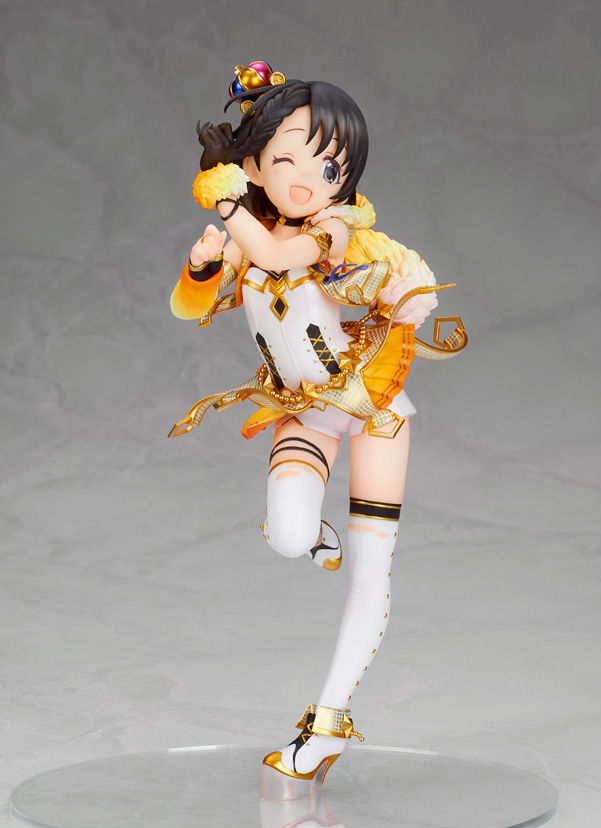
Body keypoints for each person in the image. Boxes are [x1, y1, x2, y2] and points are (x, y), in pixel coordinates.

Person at [169, 61, 466, 783]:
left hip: (373, 409)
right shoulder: (249, 236)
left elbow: (278, 252)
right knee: (289, 535)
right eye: (286, 160)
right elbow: (186, 308)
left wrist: (225, 200)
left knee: (370, 569)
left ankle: (327, 724)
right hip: (303, 410)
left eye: (329, 166)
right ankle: (311, 538)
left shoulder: (330, 231)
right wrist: (203, 266)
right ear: (254, 164)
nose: (308, 181)